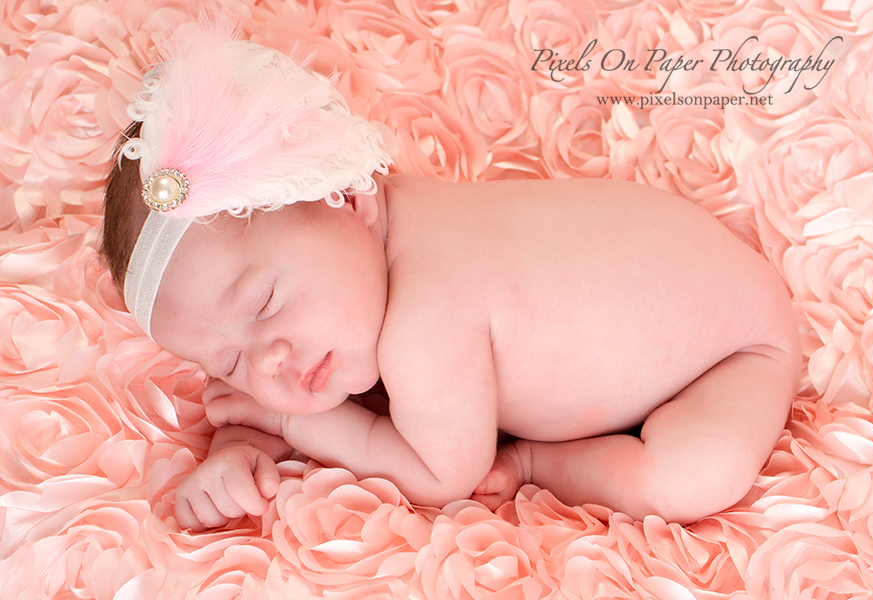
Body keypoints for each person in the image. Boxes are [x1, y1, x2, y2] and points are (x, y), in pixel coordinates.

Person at [100, 24, 801, 530]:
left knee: (686, 477)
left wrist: (289, 422)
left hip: (734, 352)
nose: (271, 362)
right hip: (664, 251)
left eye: (265, 303)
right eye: (227, 359)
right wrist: (241, 446)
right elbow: (298, 393)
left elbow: (443, 471)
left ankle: (535, 464)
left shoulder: (425, 317)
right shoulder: (357, 255)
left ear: (347, 196)